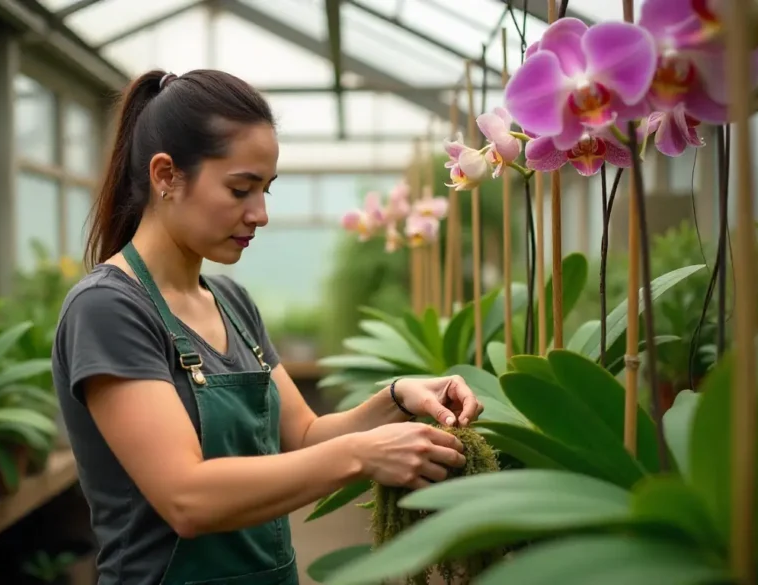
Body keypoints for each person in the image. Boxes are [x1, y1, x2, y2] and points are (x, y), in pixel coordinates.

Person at [51, 68, 485, 585]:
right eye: (240, 189)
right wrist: (362, 455)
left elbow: (304, 437)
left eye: (266, 190)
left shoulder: (231, 302)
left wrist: (396, 399)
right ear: (165, 175)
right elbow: (186, 498)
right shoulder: (109, 309)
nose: (259, 214)